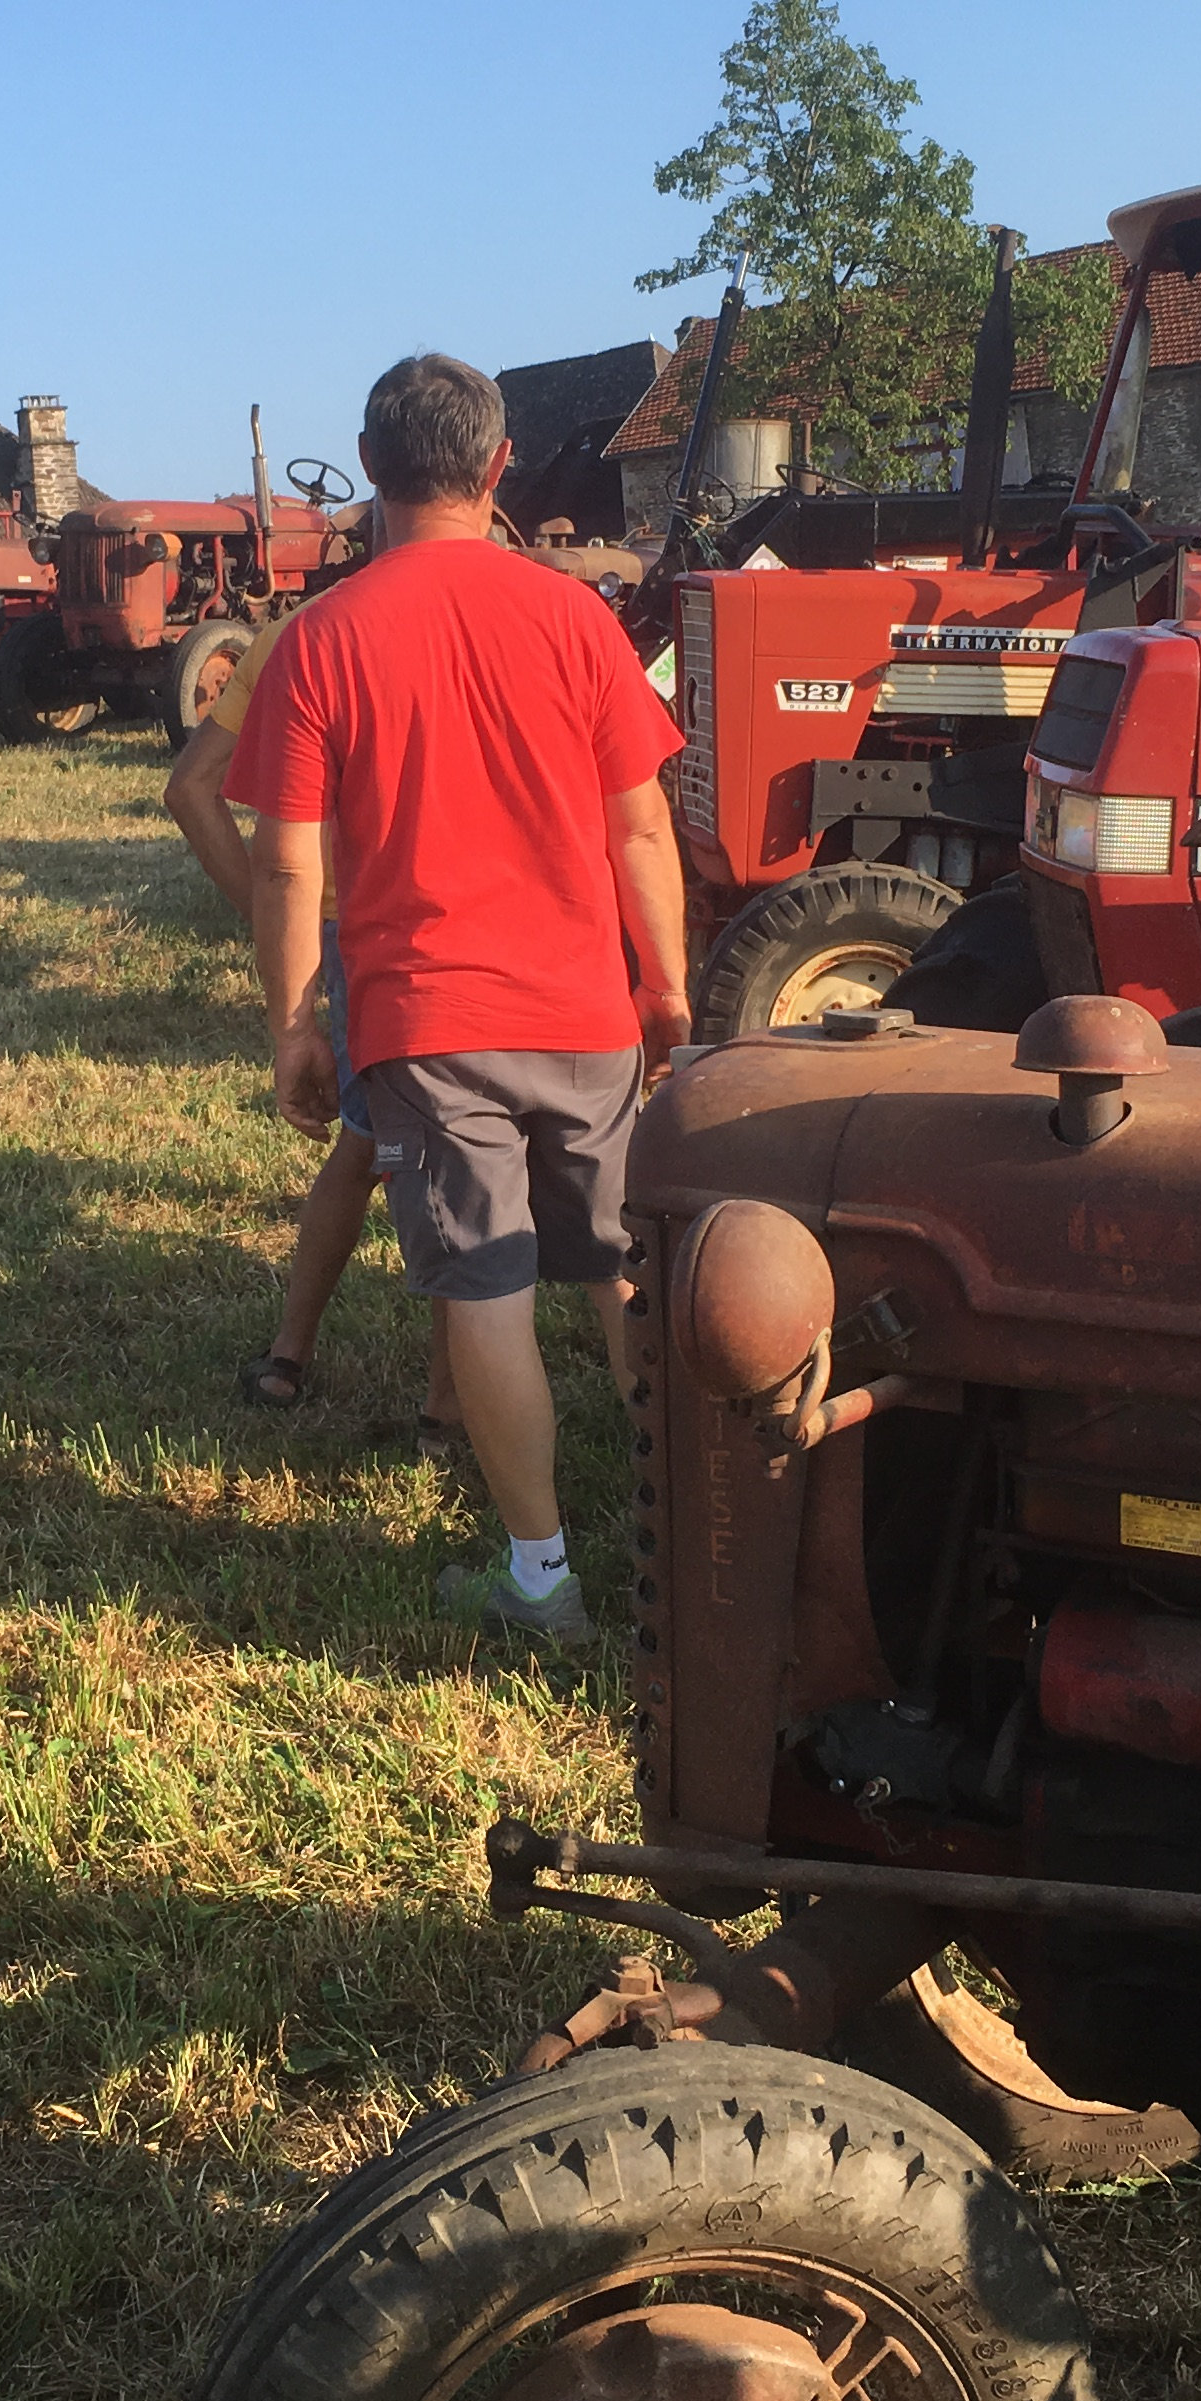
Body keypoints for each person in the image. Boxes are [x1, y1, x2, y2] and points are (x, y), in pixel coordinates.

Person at [226, 353, 689, 1649]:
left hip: (430, 1026)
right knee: (617, 1271)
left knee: (485, 1291)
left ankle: (541, 1579)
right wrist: (665, 987)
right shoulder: (578, 622)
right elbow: (642, 828)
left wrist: (295, 1024)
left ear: (370, 468)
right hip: (585, 1009)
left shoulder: (322, 639)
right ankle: (691, 1531)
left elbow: (287, 863)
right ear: (499, 469)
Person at [163, 588, 460, 1456]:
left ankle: (292, 1351)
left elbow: (190, 788)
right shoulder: (498, 618)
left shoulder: (298, 632)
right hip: (446, 925)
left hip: (341, 926)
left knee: (368, 1144)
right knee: (451, 1161)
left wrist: (274, 922)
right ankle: (445, 1410)